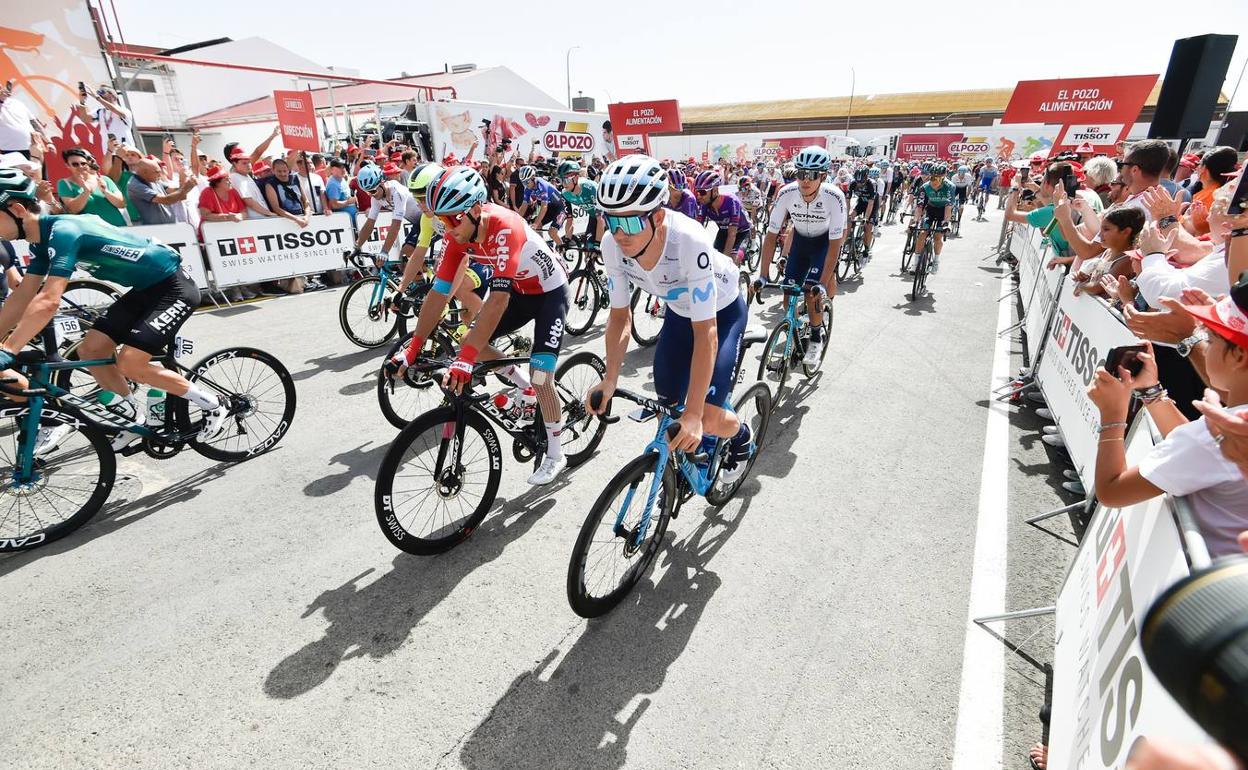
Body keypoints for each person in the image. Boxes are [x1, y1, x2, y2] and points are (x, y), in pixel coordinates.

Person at [0, 168, 230, 453]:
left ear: (17, 209)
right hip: (144, 289)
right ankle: (134, 418)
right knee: (91, 350)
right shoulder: (41, 240)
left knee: (130, 363)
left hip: (173, 287)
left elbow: (48, 300)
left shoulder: (63, 231)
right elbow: (22, 295)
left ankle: (213, 403)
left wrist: (9, 349)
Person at [385, 166, 570, 485]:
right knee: (470, 341)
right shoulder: (458, 235)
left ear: (473, 210)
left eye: (451, 219)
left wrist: (465, 361)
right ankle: (521, 384)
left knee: (542, 377)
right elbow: (438, 295)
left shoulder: (504, 227)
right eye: (440, 220)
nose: (446, 228)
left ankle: (555, 452)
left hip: (550, 294)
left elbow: (497, 301)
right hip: (521, 293)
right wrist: (413, 348)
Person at [584, 155, 754, 483]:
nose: (620, 233)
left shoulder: (689, 241)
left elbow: (706, 333)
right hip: (678, 314)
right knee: (668, 404)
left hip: (722, 313)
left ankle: (740, 434)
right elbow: (620, 316)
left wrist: (694, 414)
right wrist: (610, 379)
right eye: (611, 219)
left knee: (707, 417)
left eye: (631, 222)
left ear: (658, 217)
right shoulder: (612, 244)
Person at [1087, 275, 1248, 558]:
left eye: (1210, 339)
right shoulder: (1231, 428)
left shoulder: (1216, 437)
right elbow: (1191, 448)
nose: (1204, 346)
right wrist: (1151, 392)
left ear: (1239, 357)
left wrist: (1113, 416)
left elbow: (1111, 491)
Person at [756, 145, 846, 367]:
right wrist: (763, 275)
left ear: (823, 176)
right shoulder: (786, 193)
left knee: (812, 293)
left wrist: (823, 284)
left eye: (812, 175)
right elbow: (770, 236)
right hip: (800, 243)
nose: (805, 180)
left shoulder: (834, 197)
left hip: (824, 243)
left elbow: (835, 245)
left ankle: (816, 337)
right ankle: (794, 339)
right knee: (788, 296)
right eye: (801, 174)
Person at [56, 147, 127, 226]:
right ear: (68, 166)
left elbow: (121, 204)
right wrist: (86, 192)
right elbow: (73, 209)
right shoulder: (64, 183)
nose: (80, 166)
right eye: (75, 164)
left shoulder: (104, 179)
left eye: (83, 163)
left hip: (118, 227)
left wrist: (106, 191)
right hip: (92, 231)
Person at [693, 169, 751, 261]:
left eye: (702, 192)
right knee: (713, 259)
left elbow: (732, 234)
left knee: (730, 261)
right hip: (723, 231)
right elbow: (696, 230)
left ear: (715, 191)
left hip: (742, 231)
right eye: (697, 192)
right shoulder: (704, 205)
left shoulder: (731, 201)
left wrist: (725, 261)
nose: (699, 196)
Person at [127, 157, 197, 226]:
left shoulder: (154, 179)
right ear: (144, 172)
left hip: (170, 226)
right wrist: (186, 188)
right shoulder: (135, 185)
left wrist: (184, 180)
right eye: (157, 172)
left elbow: (179, 195)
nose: (160, 175)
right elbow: (166, 200)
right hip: (156, 230)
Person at [913, 163, 955, 273]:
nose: (933, 181)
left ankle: (936, 261)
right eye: (932, 177)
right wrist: (915, 221)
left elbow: (948, 207)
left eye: (937, 178)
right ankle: (916, 261)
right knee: (922, 233)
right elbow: (920, 206)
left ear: (943, 178)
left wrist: (946, 222)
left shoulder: (950, 187)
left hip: (943, 212)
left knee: (937, 237)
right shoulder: (925, 187)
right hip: (931, 210)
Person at [516, 165, 566, 247]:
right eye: (523, 182)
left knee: (552, 232)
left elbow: (544, 207)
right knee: (538, 224)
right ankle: (542, 247)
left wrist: (535, 224)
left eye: (527, 182)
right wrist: (516, 219)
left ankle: (562, 249)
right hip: (550, 207)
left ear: (533, 178)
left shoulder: (541, 185)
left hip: (560, 207)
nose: (525, 185)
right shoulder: (528, 188)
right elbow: (524, 206)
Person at [556, 159, 603, 246]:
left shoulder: (590, 187)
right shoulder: (565, 194)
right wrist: (567, 240)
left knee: (603, 248)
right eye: (560, 180)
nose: (563, 184)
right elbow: (570, 219)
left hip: (607, 217)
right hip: (594, 217)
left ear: (576, 178)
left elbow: (601, 219)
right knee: (588, 248)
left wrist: (597, 243)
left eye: (566, 180)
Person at [847, 167, 879, 260]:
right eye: (858, 182)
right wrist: (847, 214)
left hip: (872, 206)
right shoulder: (853, 183)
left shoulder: (871, 184)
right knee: (849, 218)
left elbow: (871, 203)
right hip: (861, 203)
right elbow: (847, 201)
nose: (859, 184)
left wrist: (866, 218)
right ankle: (847, 239)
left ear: (866, 178)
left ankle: (866, 248)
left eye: (862, 182)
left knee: (868, 227)